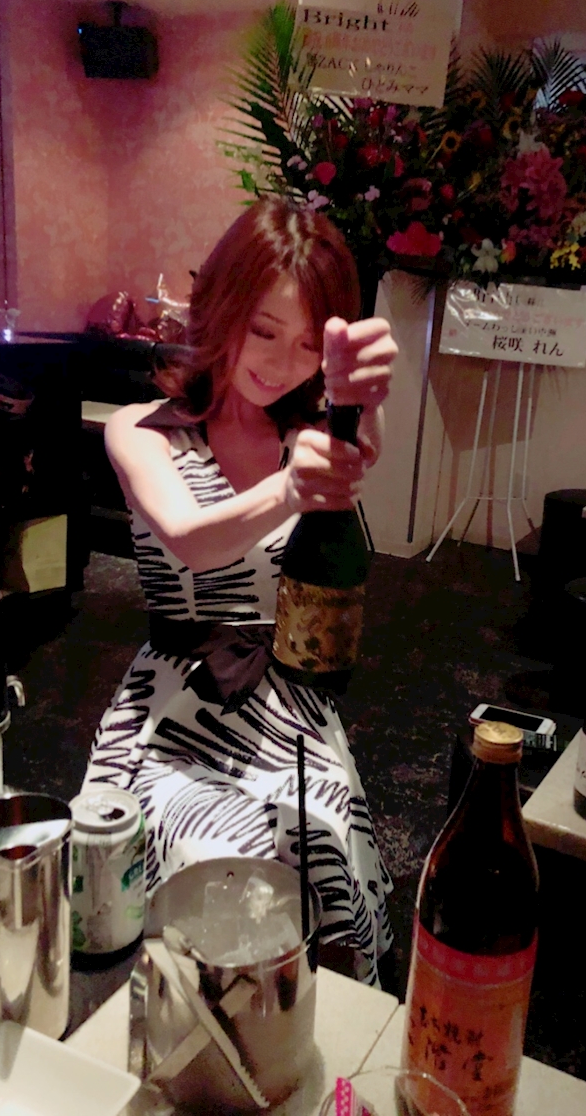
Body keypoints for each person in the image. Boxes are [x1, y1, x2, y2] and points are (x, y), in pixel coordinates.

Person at [81, 196, 398, 987]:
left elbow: (359, 444)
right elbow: (189, 539)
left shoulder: (308, 433)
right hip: (172, 711)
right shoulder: (141, 429)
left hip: (286, 703)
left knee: (320, 845)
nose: (282, 362)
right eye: (264, 329)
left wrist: (365, 405)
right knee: (217, 854)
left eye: (308, 344)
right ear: (221, 303)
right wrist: (290, 490)